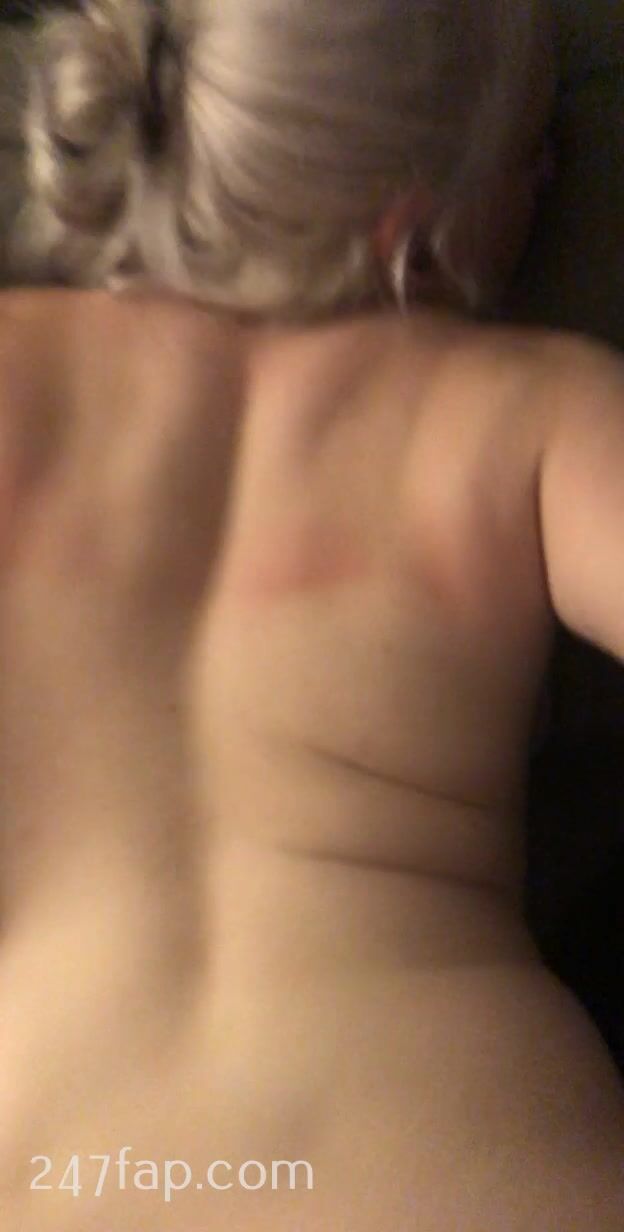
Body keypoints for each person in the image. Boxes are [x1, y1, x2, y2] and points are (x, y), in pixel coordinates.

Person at [1, 1, 624, 1229]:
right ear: (412, 220)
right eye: (532, 148)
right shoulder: (526, 402)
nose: (555, 176)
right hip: (464, 1163)